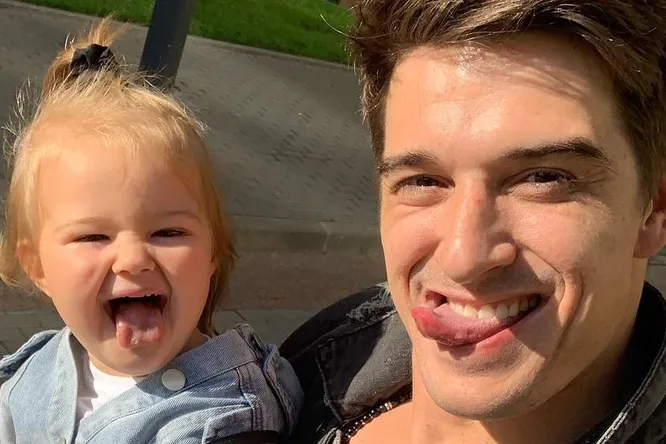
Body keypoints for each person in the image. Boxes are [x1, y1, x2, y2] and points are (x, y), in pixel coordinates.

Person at [280, 1, 666, 443]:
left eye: (542, 178)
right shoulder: (296, 379)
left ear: (654, 209)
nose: (463, 258)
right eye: (423, 181)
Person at [0, 19, 302, 444]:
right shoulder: (35, 370)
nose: (133, 259)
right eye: (93, 237)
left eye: (168, 233)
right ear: (37, 266)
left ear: (213, 249)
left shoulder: (227, 421)